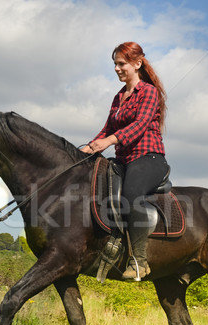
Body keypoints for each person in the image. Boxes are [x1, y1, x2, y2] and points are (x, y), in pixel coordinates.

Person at [82, 41, 169, 280]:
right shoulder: (118, 97)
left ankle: (140, 262)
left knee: (131, 195)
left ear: (137, 64)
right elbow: (107, 128)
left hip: (148, 158)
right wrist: (90, 146)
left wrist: (109, 141)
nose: (117, 69)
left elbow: (139, 125)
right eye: (115, 64)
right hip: (123, 159)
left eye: (122, 64)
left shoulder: (149, 92)